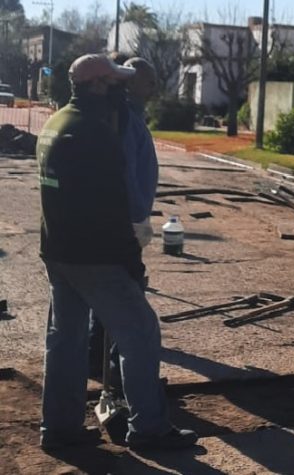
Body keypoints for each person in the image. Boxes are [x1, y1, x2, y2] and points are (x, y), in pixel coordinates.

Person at [37, 54, 197, 450]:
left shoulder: (55, 124)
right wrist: (129, 255)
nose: (120, 92)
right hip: (96, 255)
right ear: (96, 86)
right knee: (140, 332)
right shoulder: (95, 133)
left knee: (66, 340)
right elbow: (112, 201)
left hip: (58, 250)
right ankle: (149, 429)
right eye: (114, 84)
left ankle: (58, 429)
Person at [88, 57, 160, 388]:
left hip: (123, 219)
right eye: (149, 81)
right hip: (126, 222)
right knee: (129, 301)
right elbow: (127, 174)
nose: (154, 87)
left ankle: (96, 358)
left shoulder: (126, 116)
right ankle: (121, 377)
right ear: (130, 82)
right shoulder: (126, 118)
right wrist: (136, 223)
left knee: (109, 293)